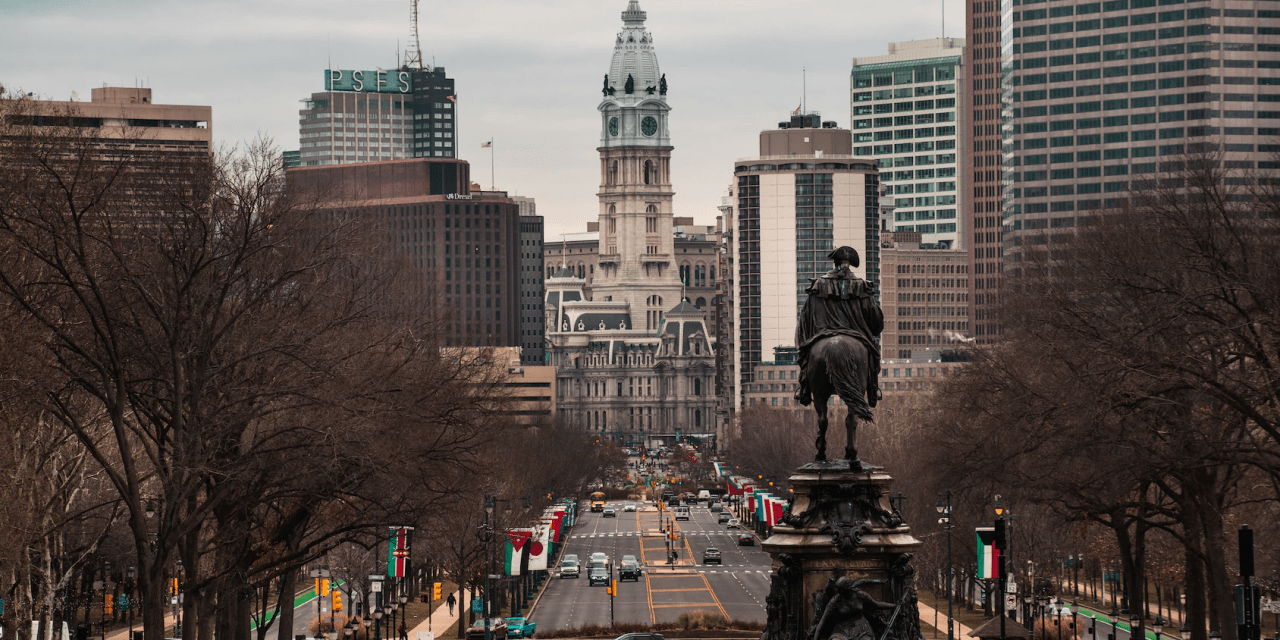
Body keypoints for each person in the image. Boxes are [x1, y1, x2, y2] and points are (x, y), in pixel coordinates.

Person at [794, 246, 883, 408]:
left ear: (834, 263)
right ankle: (873, 389)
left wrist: (804, 344)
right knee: (873, 354)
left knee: (808, 355)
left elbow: (804, 320)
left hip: (822, 334)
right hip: (856, 335)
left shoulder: (818, 285)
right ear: (850, 265)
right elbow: (876, 322)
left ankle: (805, 388)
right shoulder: (862, 286)